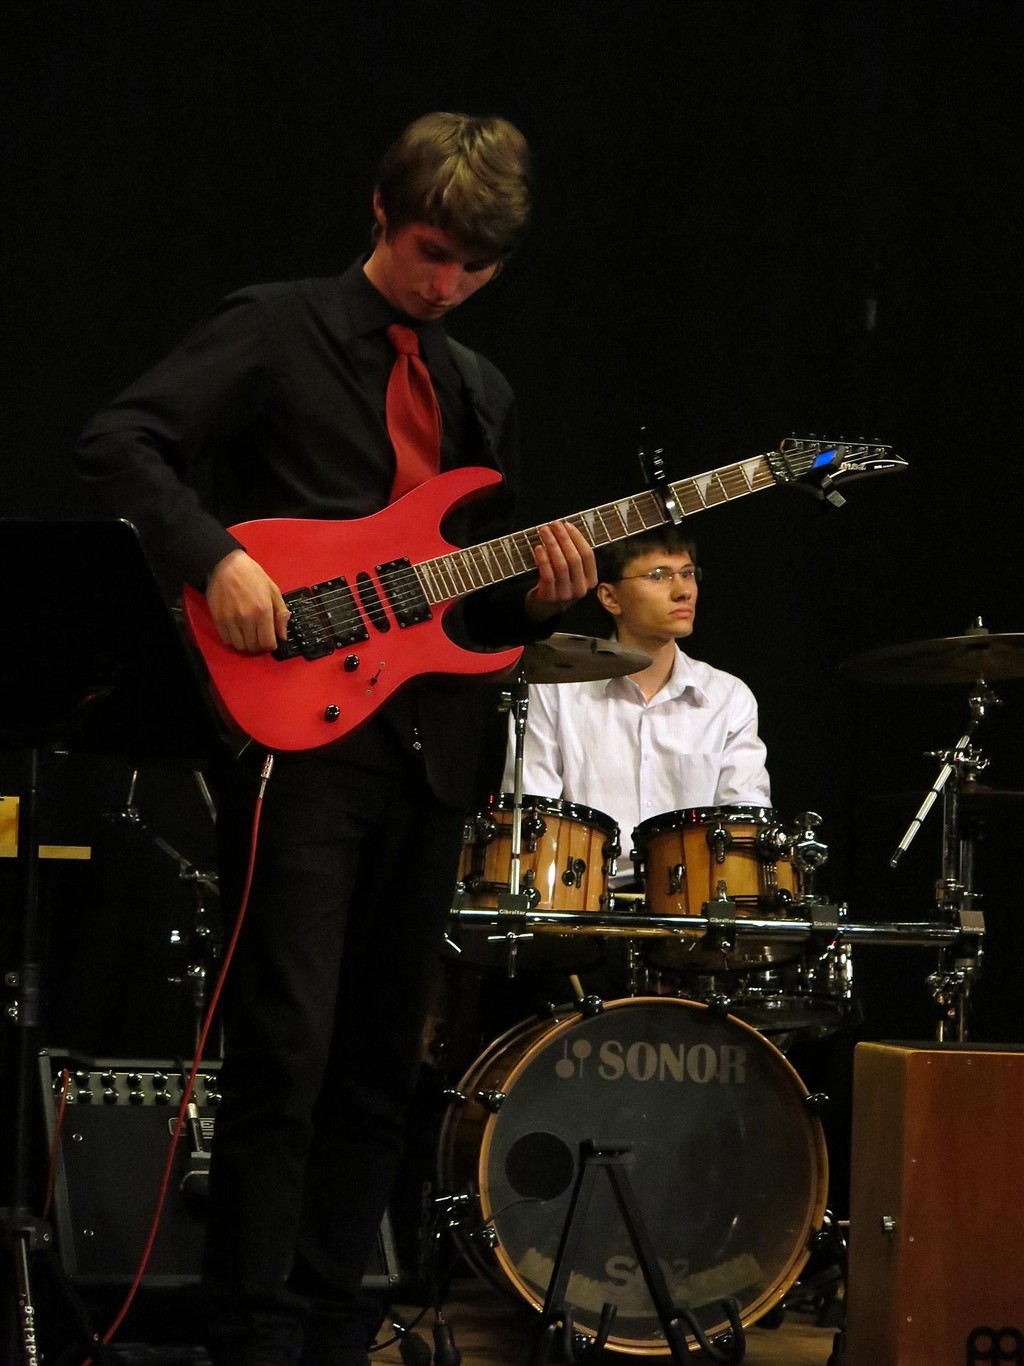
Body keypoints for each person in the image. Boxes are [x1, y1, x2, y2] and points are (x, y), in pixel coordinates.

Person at [74, 112, 595, 1366]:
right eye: (431, 253)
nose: (447, 285)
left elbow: (470, 606)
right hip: (302, 742)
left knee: (380, 1062)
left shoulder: (481, 391)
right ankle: (250, 1327)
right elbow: (119, 440)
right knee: (287, 1047)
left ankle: (331, 1319)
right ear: (380, 212)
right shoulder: (278, 326)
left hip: (433, 748)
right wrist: (217, 556)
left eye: (475, 268)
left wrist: (536, 602)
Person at [502, 523, 771, 884]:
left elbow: (746, 820)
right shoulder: (556, 689)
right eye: (658, 575)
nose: (683, 591)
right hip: (583, 897)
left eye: (687, 573)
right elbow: (534, 817)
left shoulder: (728, 696)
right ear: (610, 597)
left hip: (690, 899)